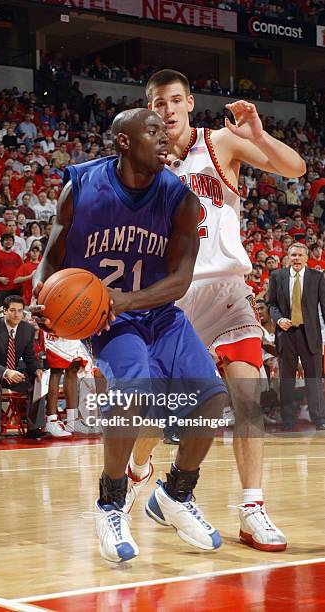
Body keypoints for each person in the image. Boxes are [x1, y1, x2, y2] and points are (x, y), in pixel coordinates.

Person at [32, 108, 227, 563]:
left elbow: (179, 281)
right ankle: (110, 502)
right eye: (153, 131)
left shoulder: (181, 197)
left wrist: (123, 299)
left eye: (166, 131)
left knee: (212, 397)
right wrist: (41, 292)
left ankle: (175, 494)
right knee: (133, 393)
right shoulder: (80, 185)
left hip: (156, 311)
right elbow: (52, 253)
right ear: (123, 141)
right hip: (105, 320)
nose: (165, 139)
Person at [128, 69, 306, 552]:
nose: (167, 110)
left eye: (174, 100)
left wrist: (260, 134)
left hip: (227, 289)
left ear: (189, 103)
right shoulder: (141, 164)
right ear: (149, 110)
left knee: (247, 396)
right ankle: (142, 471)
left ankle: (252, 508)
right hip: (174, 296)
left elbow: (295, 170)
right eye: (158, 103)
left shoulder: (221, 143)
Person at [267, 243, 325, 431]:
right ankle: (289, 420)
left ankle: (319, 418)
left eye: (300, 255)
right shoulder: (277, 276)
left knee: (314, 379)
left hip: (310, 334)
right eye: (293, 255)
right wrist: (279, 319)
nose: (296, 258)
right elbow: (271, 304)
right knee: (287, 380)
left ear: (307, 258)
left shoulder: (317, 277)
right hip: (286, 334)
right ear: (288, 257)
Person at [0, 295, 45, 441]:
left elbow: (29, 357)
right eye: (13, 310)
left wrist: (36, 369)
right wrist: (6, 372)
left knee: (38, 381)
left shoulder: (27, 329)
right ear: (4, 311)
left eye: (20, 311)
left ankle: (34, 429)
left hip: (14, 372)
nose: (17, 314)